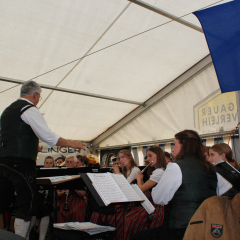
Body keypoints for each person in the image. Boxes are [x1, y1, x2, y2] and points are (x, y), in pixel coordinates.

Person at [0, 80, 86, 238]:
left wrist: (34, 147)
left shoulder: (7, 111)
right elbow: (48, 136)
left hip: (3, 162)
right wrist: (72, 144)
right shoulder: (29, 108)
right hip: (21, 164)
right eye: (39, 96)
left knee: (3, 202)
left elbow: (13, 136)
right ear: (35, 95)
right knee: (28, 205)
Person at [133, 130, 232, 240]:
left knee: (138, 236)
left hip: (183, 230)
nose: (173, 150)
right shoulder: (210, 168)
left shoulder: (175, 167)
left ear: (184, 144)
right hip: (206, 228)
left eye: (175, 144)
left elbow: (158, 198)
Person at [122, 146, 166, 240]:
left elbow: (141, 189)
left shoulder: (159, 172)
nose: (148, 159)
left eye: (150, 156)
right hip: (153, 204)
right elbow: (145, 190)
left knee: (129, 220)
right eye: (147, 156)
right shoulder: (157, 171)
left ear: (158, 156)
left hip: (157, 208)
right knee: (127, 218)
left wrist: (138, 179)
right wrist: (140, 180)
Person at [57, 155, 86, 223]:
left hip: (76, 199)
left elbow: (83, 193)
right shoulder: (61, 174)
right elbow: (57, 194)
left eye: (71, 162)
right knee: (58, 210)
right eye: (67, 162)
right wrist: (62, 192)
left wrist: (72, 186)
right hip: (63, 198)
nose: (69, 163)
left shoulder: (80, 175)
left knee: (77, 212)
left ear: (75, 164)